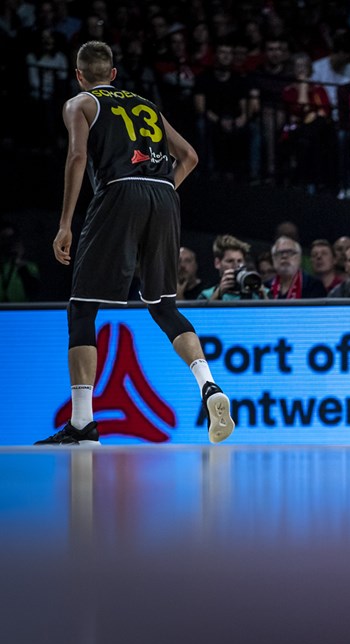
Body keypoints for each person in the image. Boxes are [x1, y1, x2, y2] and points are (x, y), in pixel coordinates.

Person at [37, 41, 233, 446]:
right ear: (113, 74)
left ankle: (82, 423)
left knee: (82, 308)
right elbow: (190, 156)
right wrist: (162, 190)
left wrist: (65, 224)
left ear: (79, 76)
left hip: (119, 192)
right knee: (163, 306)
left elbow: (77, 158)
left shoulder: (80, 103)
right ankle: (209, 384)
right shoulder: (147, 105)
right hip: (164, 194)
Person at [198, 234, 267, 301]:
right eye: (230, 261)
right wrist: (218, 294)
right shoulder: (206, 295)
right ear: (217, 263)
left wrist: (263, 295)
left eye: (239, 261)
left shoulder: (261, 292)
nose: (236, 266)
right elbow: (203, 309)